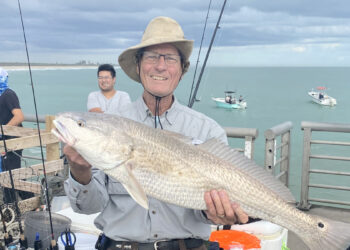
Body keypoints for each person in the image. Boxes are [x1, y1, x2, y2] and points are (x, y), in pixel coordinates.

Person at [64, 16, 248, 250]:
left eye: (170, 58)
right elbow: (88, 206)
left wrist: (217, 213)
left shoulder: (208, 131)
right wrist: (80, 171)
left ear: (182, 70)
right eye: (151, 56)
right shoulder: (108, 126)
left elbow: (207, 213)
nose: (160, 66)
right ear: (138, 66)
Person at [0, 67, 34, 203]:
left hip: (13, 141)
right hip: (3, 142)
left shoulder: (8, 94)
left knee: (12, 175)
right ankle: (14, 207)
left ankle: (28, 203)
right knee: (7, 174)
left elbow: (19, 116)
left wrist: (2, 130)